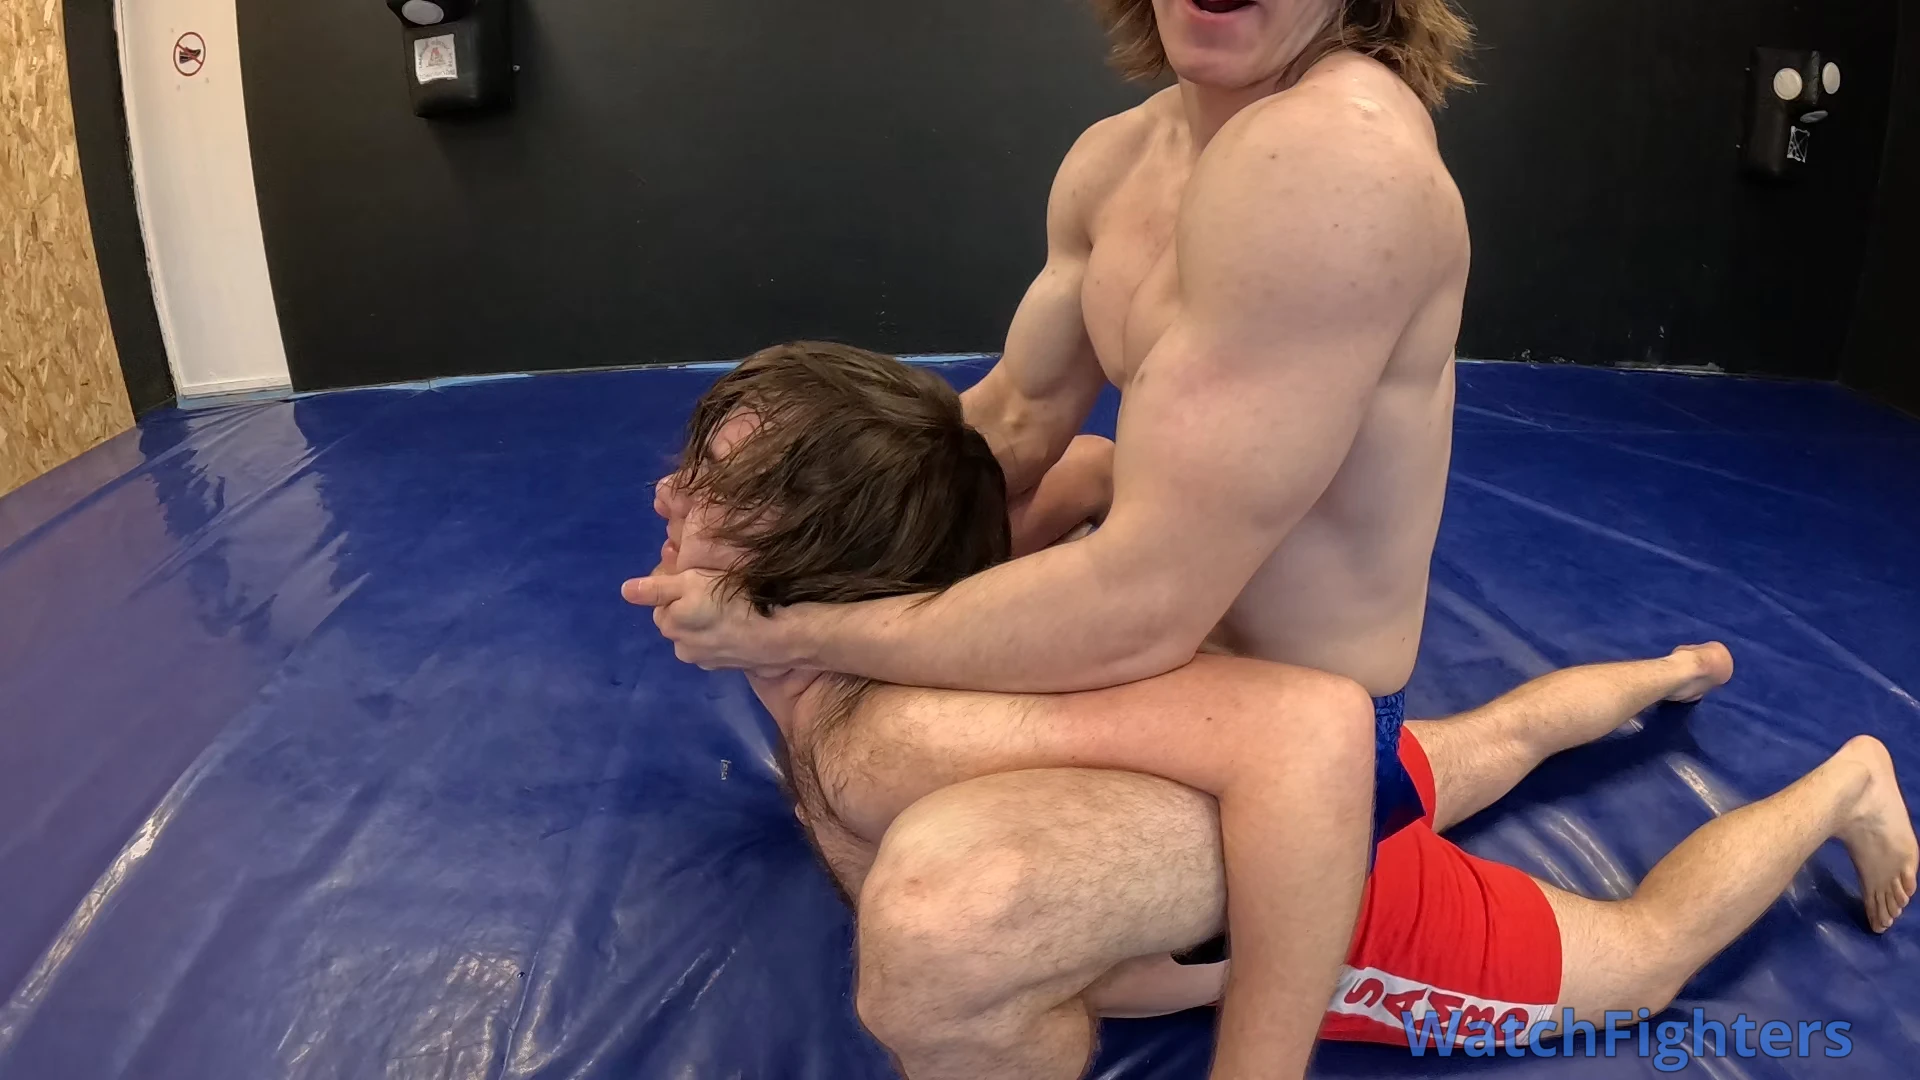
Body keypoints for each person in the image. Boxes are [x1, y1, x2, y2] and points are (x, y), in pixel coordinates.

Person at [654, 345, 1917, 1073]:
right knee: (1497, 738)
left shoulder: (889, 730)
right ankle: (1673, 672)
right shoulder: (933, 598)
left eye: (711, 493)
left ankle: (1844, 785)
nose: (665, 497)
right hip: (1241, 785)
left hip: (1331, 892)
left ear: (808, 562)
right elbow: (1082, 469)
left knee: (1643, 959)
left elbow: (1302, 736)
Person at [630, 3, 1478, 1071]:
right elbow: (1011, 426)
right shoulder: (1122, 157)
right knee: (818, 693)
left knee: (933, 913)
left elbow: (1140, 607)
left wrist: (788, 623)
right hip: (1162, 671)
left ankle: (1277, 929)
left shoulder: (1334, 165)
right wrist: (756, 531)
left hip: (1283, 744)